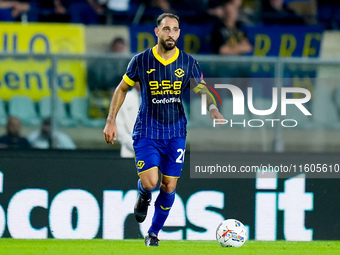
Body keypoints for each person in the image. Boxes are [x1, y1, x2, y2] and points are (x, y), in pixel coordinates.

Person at [103, 13, 224, 246]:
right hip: (147, 130)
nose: (171, 34)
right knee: (150, 182)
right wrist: (111, 120)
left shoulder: (187, 62)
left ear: (179, 33)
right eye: (166, 29)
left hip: (176, 132)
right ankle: (143, 195)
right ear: (157, 32)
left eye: (175, 29)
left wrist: (212, 108)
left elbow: (202, 90)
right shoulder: (141, 61)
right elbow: (121, 89)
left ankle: (153, 233)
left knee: (169, 185)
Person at [115, 82, 140, 158]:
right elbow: (120, 130)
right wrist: (137, 147)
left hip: (152, 154)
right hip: (129, 154)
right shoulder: (125, 98)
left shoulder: (158, 98)